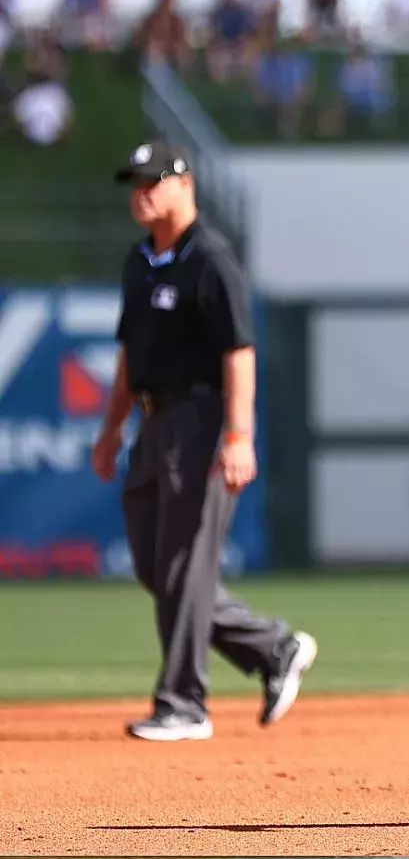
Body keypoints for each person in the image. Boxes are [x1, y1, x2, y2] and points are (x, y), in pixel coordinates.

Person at [91, 141, 318, 742]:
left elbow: (238, 352)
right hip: (151, 419)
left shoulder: (211, 258)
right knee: (156, 567)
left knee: (187, 565)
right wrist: (112, 427)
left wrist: (239, 435)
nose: (140, 193)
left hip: (201, 416)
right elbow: (126, 355)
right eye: (133, 183)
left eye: (151, 181)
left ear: (183, 183)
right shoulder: (139, 261)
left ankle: (183, 703)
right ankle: (273, 648)